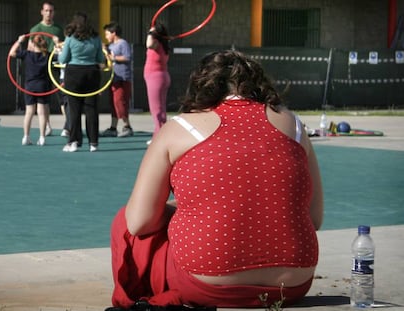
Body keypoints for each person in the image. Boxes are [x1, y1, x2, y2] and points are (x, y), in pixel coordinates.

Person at [107, 50, 324, 309]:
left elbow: (139, 222)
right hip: (292, 284)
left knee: (124, 220)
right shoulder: (294, 125)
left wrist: (180, 208)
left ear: (200, 86)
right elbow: (313, 218)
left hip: (207, 284)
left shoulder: (180, 127)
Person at [58, 11, 104, 152]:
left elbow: (63, 59)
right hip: (92, 73)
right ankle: (93, 143)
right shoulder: (96, 38)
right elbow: (101, 59)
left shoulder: (70, 38)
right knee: (91, 109)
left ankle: (73, 142)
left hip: (74, 74)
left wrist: (60, 52)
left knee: (74, 110)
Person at [10, 34, 53, 146]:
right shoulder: (47, 55)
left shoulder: (27, 54)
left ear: (33, 44)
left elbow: (12, 53)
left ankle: (26, 137)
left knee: (29, 112)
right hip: (42, 86)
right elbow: (62, 57)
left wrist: (19, 41)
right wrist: (57, 43)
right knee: (42, 113)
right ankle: (42, 137)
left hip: (30, 87)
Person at [29, 1, 64, 136]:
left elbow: (63, 47)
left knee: (62, 96)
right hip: (41, 66)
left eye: (51, 11)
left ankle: (68, 126)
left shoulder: (58, 29)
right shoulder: (35, 29)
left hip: (55, 64)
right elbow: (30, 49)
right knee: (44, 98)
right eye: (47, 10)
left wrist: (58, 45)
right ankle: (47, 126)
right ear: (42, 12)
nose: (49, 13)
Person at [101, 21, 134, 138]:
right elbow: (107, 62)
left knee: (120, 102)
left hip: (123, 79)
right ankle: (113, 128)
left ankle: (127, 127)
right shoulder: (110, 46)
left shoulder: (122, 43)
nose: (106, 37)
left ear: (113, 33)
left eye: (107, 34)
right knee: (113, 103)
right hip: (113, 79)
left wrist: (113, 57)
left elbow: (127, 57)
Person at [143, 22, 171, 144]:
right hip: (162, 77)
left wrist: (150, 33)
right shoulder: (164, 45)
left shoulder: (155, 44)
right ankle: (160, 134)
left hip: (155, 78)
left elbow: (148, 44)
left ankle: (159, 137)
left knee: (156, 110)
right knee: (160, 108)